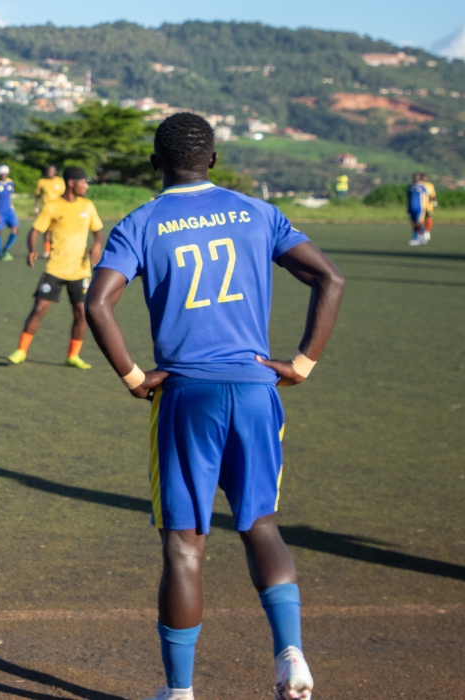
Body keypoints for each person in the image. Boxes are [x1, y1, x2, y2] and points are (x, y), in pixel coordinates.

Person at [84, 113, 345, 700]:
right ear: (214, 160)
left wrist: (133, 377)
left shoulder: (141, 222)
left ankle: (179, 692)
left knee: (184, 546)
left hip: (187, 394)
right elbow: (330, 279)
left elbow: (98, 303)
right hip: (255, 389)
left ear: (155, 163)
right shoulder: (258, 213)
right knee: (260, 525)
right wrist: (302, 363)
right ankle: (291, 656)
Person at [7, 166, 103, 369]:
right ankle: (21, 351)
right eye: (84, 182)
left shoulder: (87, 205)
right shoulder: (52, 207)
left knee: (81, 314)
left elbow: (97, 231)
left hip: (80, 271)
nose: (86, 186)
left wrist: (97, 244)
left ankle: (73, 356)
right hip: (55, 269)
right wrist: (32, 250)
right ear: (72, 183)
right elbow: (35, 231)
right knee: (39, 309)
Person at [35, 165, 65, 259]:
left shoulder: (60, 181)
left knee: (58, 230)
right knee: (47, 230)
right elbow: (37, 195)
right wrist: (36, 208)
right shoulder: (42, 181)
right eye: (48, 171)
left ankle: (57, 249)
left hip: (59, 209)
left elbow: (64, 195)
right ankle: (47, 250)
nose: (50, 172)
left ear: (55, 172)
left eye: (52, 171)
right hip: (46, 210)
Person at [0, 164, 19, 261]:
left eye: (5, 173)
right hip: (0, 211)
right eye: (2, 173)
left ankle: (6, 249)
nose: (3, 175)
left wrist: (11, 207)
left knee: (15, 229)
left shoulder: (10, 183)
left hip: (10, 211)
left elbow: (10, 197)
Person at [407, 173, 429, 246]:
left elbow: (427, 195)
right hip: (411, 207)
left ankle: (420, 237)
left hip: (419, 207)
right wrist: (407, 206)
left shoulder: (422, 187)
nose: (416, 179)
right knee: (414, 223)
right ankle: (417, 238)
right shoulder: (410, 187)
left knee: (418, 223)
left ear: (419, 179)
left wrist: (426, 205)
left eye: (417, 178)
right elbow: (408, 198)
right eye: (415, 177)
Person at [420, 173, 436, 243]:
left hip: (429, 206)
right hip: (421, 205)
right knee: (421, 220)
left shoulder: (430, 185)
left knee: (429, 218)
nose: (424, 179)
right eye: (422, 177)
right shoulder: (419, 185)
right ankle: (421, 232)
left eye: (425, 177)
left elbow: (433, 195)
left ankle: (427, 231)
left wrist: (434, 203)